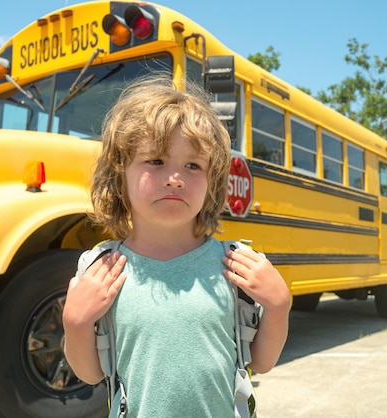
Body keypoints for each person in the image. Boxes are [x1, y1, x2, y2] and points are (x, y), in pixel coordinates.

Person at [63, 75, 290, 417]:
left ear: (211, 182)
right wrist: (74, 322)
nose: (174, 178)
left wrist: (279, 306)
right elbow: (91, 373)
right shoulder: (102, 270)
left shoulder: (236, 265)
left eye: (192, 165)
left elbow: (262, 361)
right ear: (119, 176)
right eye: (155, 161)